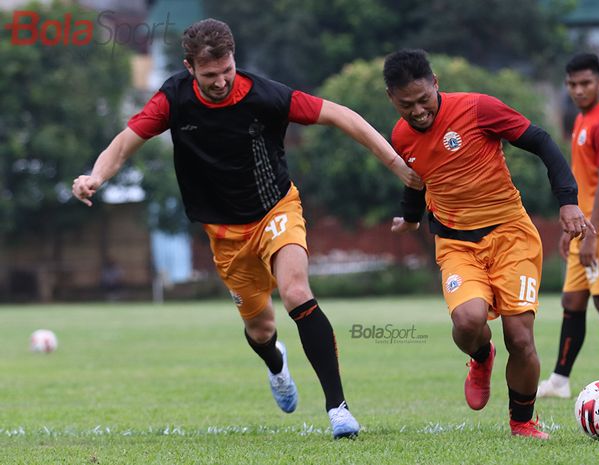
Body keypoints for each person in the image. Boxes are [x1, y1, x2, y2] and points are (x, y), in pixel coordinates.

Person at [72, 18, 422, 439]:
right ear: (189, 68)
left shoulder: (264, 95)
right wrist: (96, 176)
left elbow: (343, 116)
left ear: (234, 58)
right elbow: (125, 142)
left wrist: (397, 166)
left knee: (295, 291)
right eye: (209, 75)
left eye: (227, 70)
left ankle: (338, 409)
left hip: (276, 209)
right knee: (261, 329)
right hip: (223, 232)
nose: (220, 81)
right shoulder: (173, 99)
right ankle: (276, 365)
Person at [384, 49, 591, 439]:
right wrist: (410, 216)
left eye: (424, 100)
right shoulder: (399, 135)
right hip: (456, 244)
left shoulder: (479, 109)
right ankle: (481, 357)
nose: (418, 112)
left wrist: (568, 202)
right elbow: (417, 176)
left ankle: (522, 421)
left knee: (520, 338)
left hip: (511, 235)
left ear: (436, 84)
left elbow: (543, 142)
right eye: (406, 105)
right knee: (467, 322)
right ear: (391, 99)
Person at [538, 53, 599, 399]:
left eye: (586, 83)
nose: (579, 90)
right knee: (572, 301)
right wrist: (571, 228)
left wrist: (591, 233)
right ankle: (560, 382)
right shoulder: (582, 119)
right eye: (573, 84)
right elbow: (585, 181)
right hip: (586, 225)